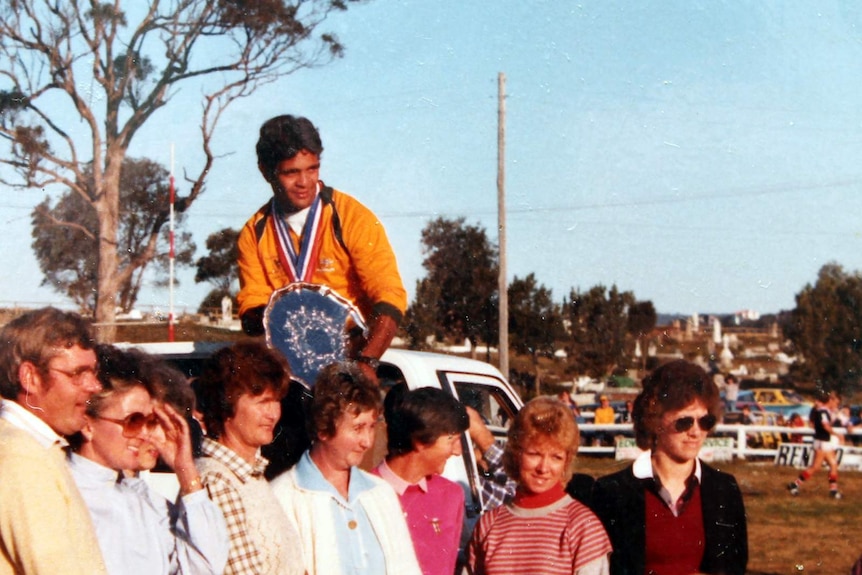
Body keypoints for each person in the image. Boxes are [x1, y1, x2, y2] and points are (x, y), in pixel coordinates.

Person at [236, 114, 407, 380]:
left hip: (352, 355)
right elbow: (253, 307)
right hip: (288, 366)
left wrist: (366, 363)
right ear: (265, 170)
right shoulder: (253, 233)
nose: (305, 182)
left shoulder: (352, 217)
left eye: (312, 169)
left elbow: (390, 297)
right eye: (291, 172)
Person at [69, 344, 228, 575]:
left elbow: (204, 567)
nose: (146, 434)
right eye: (133, 421)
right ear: (87, 424)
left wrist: (185, 471)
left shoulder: (140, 497)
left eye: (151, 422)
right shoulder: (67, 491)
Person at [591, 359, 748, 575]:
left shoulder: (724, 489)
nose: (695, 432)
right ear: (654, 421)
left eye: (705, 421)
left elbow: (733, 568)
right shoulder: (612, 492)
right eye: (684, 422)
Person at [271, 362, 421, 575]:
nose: (367, 442)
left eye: (371, 427)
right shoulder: (285, 496)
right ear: (323, 428)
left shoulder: (380, 493)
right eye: (358, 428)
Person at [0, 307, 108, 574]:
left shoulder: (32, 447)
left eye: (93, 372)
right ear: (31, 378)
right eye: (78, 373)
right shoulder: (22, 457)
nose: (95, 386)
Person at [194, 341, 304, 575]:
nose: (273, 413)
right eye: (262, 402)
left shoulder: (250, 476)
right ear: (226, 405)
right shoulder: (217, 482)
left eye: (276, 401)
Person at [468, 397, 611, 575]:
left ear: (566, 462)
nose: (543, 468)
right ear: (516, 454)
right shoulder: (489, 524)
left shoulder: (582, 527)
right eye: (534, 454)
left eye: (556, 457)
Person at [373, 384, 469, 575]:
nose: (458, 451)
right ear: (420, 441)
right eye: (452, 440)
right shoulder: (362, 492)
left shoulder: (451, 495)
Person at [788, 389, 843, 499]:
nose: (836, 405)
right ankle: (795, 484)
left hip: (821, 441)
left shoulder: (822, 411)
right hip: (823, 442)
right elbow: (825, 426)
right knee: (817, 467)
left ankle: (833, 490)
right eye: (836, 403)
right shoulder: (823, 411)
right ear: (831, 400)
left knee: (832, 464)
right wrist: (837, 434)